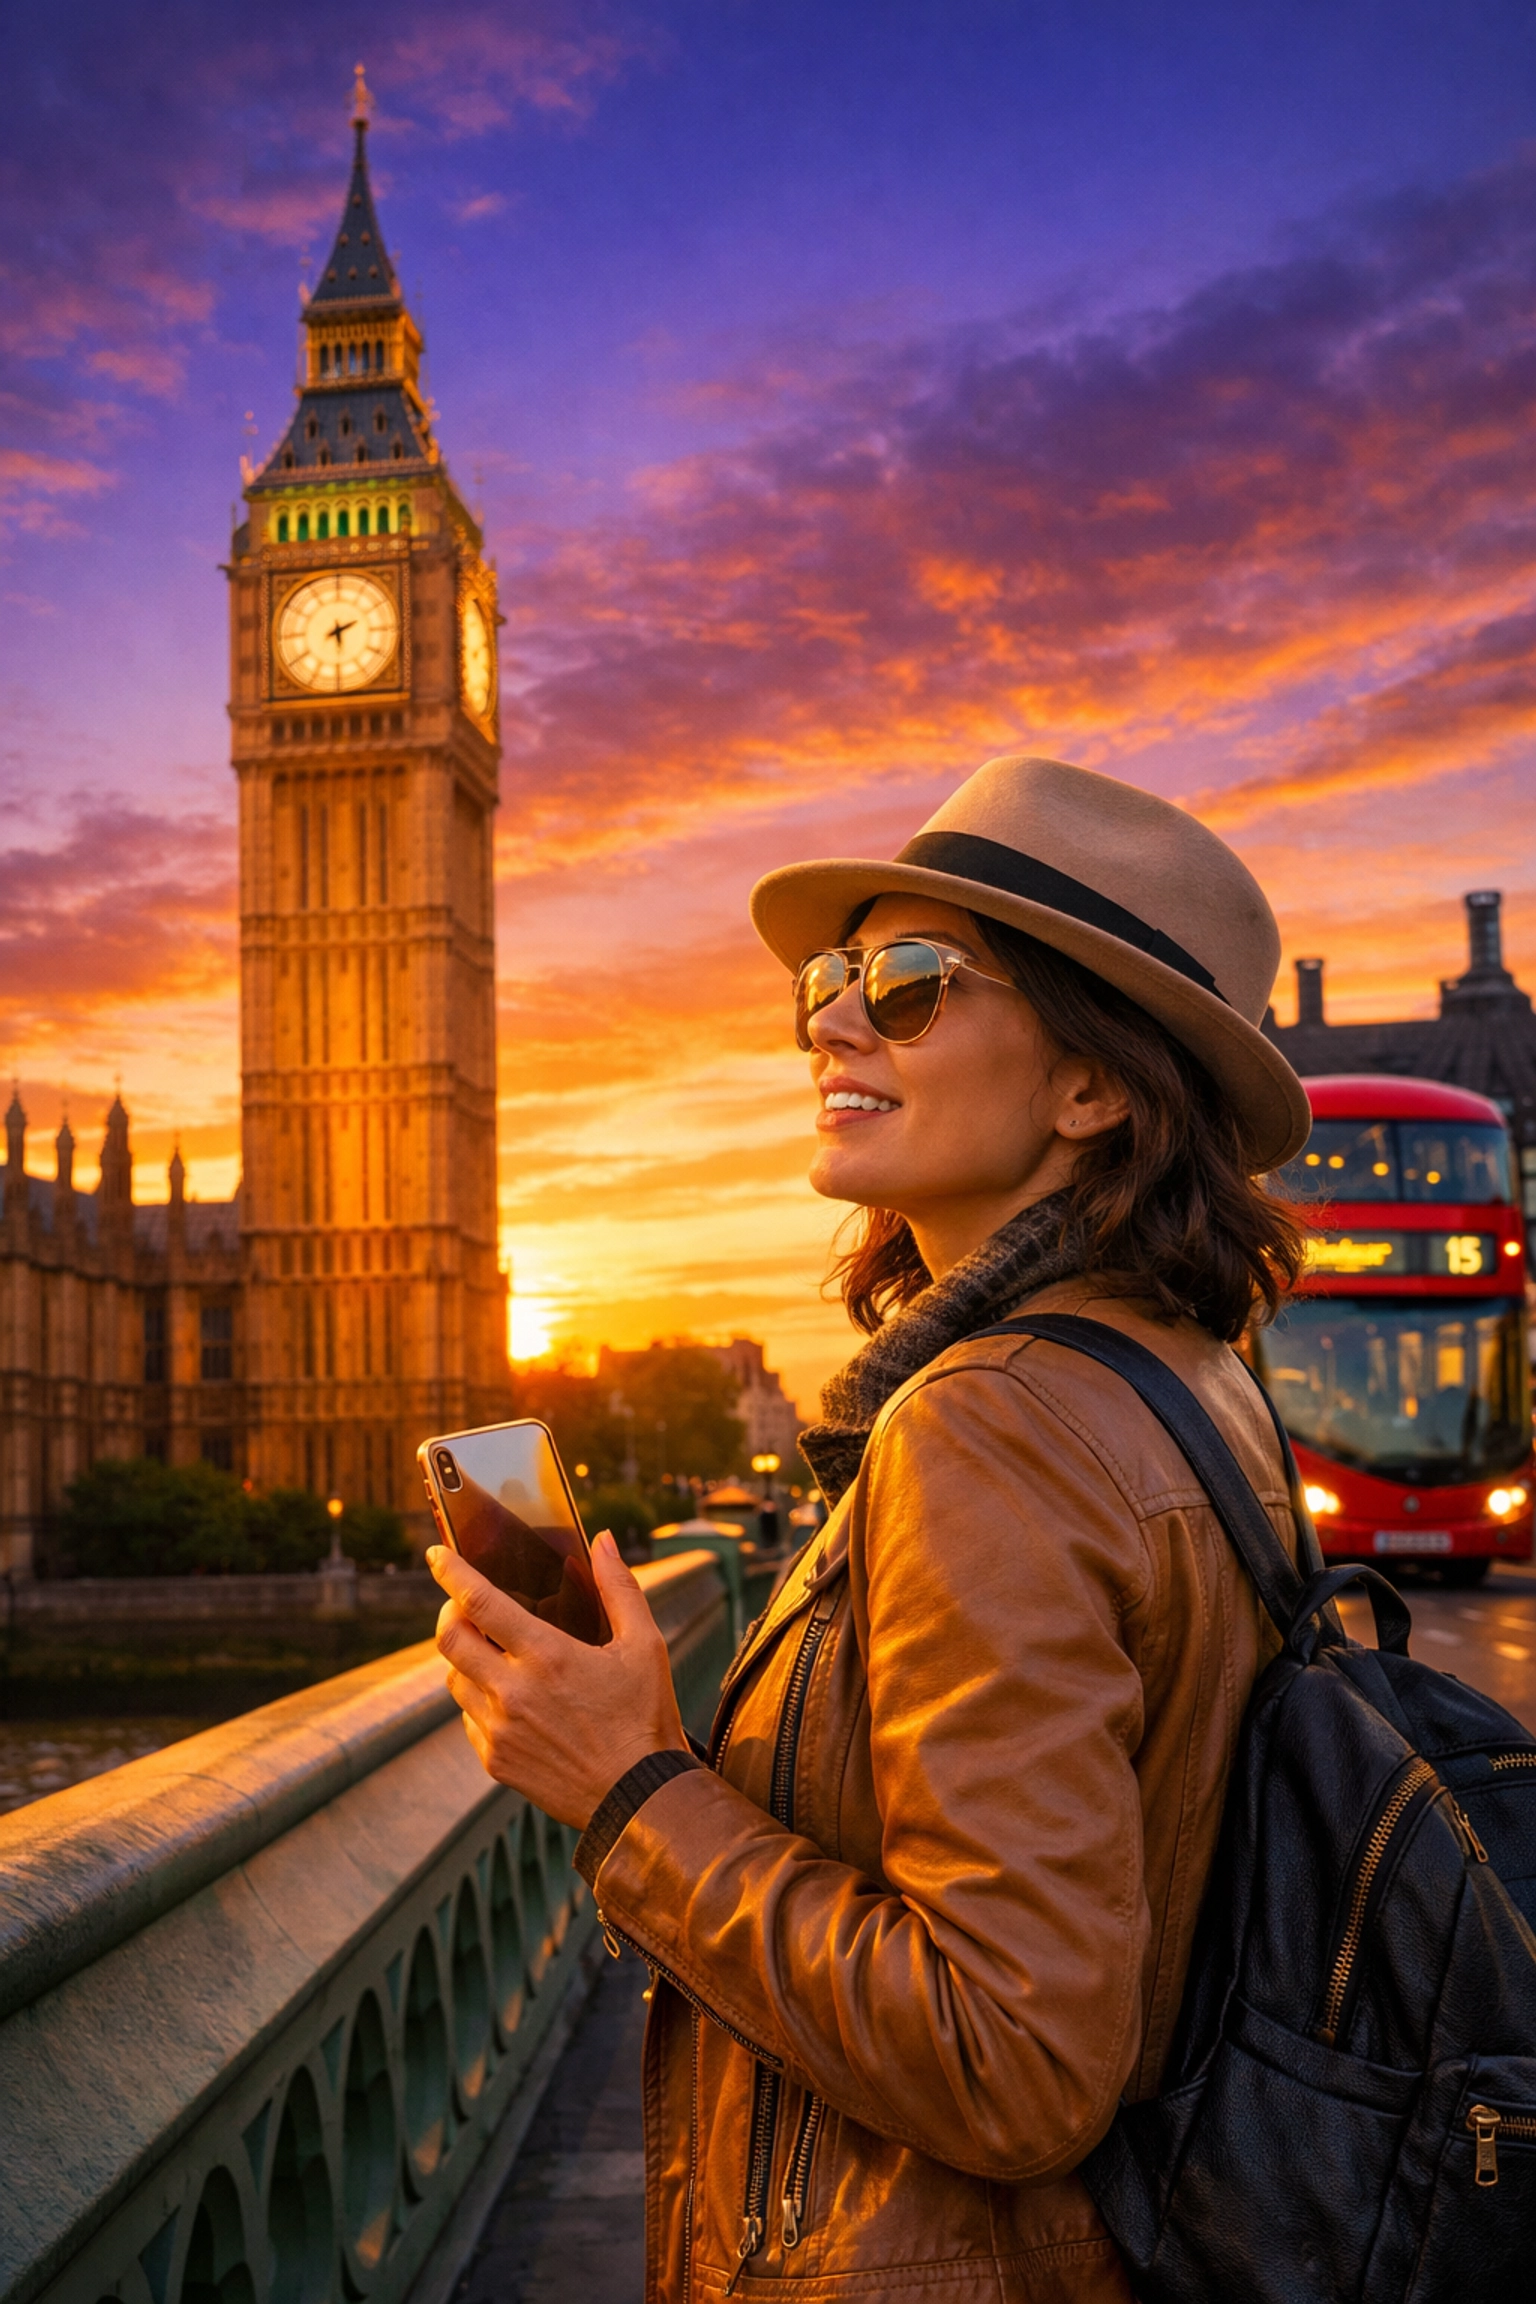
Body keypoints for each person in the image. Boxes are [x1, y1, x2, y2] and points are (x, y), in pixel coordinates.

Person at [431, 754, 1312, 2302]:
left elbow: (1017, 2058)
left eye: (909, 984)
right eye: (833, 980)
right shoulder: (1190, 1377)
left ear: (1093, 1086)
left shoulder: (991, 1424)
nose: (831, 1018)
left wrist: (628, 1787)